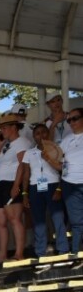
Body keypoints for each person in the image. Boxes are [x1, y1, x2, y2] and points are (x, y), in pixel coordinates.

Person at [20, 122, 69, 257]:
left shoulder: (56, 149)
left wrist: (59, 188)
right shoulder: (29, 153)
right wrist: (25, 194)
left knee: (58, 217)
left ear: (48, 134)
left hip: (53, 185)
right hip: (35, 187)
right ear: (34, 137)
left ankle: (63, 248)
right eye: (37, 133)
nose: (41, 135)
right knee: (38, 220)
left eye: (44, 132)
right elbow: (26, 174)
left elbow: (63, 170)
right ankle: (40, 251)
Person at [0, 113, 34, 262]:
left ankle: (19, 254)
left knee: (14, 218)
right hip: (1, 183)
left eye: (4, 128)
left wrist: (17, 185)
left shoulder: (21, 142)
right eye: (1, 128)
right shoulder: (6, 145)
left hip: (11, 182)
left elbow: (23, 164)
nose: (2, 131)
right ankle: (2, 255)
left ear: (14, 127)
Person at [61, 106, 83, 253]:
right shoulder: (66, 140)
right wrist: (48, 158)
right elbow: (58, 162)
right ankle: (77, 254)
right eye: (69, 120)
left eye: (75, 118)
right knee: (76, 222)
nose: (71, 122)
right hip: (69, 184)